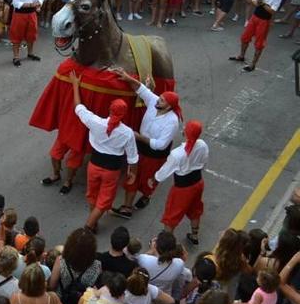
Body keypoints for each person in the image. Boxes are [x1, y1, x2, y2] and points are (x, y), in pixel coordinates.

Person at [68, 72, 138, 233]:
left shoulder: (95, 122)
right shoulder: (127, 133)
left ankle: (93, 223)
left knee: (92, 194)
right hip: (111, 171)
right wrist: (132, 173)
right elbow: (133, 158)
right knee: (104, 200)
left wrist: (75, 84)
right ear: (124, 114)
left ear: (110, 109)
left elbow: (78, 107)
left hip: (94, 165)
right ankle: (88, 226)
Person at [111, 68, 182, 218]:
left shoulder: (172, 122)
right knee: (132, 176)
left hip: (155, 155)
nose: (157, 99)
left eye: (162, 100)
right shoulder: (154, 102)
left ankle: (146, 196)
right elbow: (141, 89)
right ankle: (127, 207)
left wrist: (138, 137)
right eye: (159, 97)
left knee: (148, 180)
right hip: (140, 147)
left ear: (168, 106)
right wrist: (127, 78)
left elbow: (161, 145)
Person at [154, 121, 209, 244]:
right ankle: (194, 235)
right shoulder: (203, 145)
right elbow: (204, 162)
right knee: (195, 208)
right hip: (198, 182)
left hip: (182, 188)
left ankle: (165, 243)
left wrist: (154, 179)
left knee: (171, 215)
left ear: (187, 133)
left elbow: (163, 173)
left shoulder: (177, 154)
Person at [229, 0, 284, 72]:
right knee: (245, 37)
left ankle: (253, 64)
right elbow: (254, 0)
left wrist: (262, 4)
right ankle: (241, 56)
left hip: (264, 20)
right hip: (255, 16)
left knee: (259, 43)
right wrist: (260, 3)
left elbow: (272, 10)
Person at [10, 0, 43, 66]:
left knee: (31, 35)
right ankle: (16, 57)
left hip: (32, 13)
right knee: (17, 36)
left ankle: (30, 53)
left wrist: (39, 5)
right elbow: (15, 3)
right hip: (20, 14)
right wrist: (29, 5)